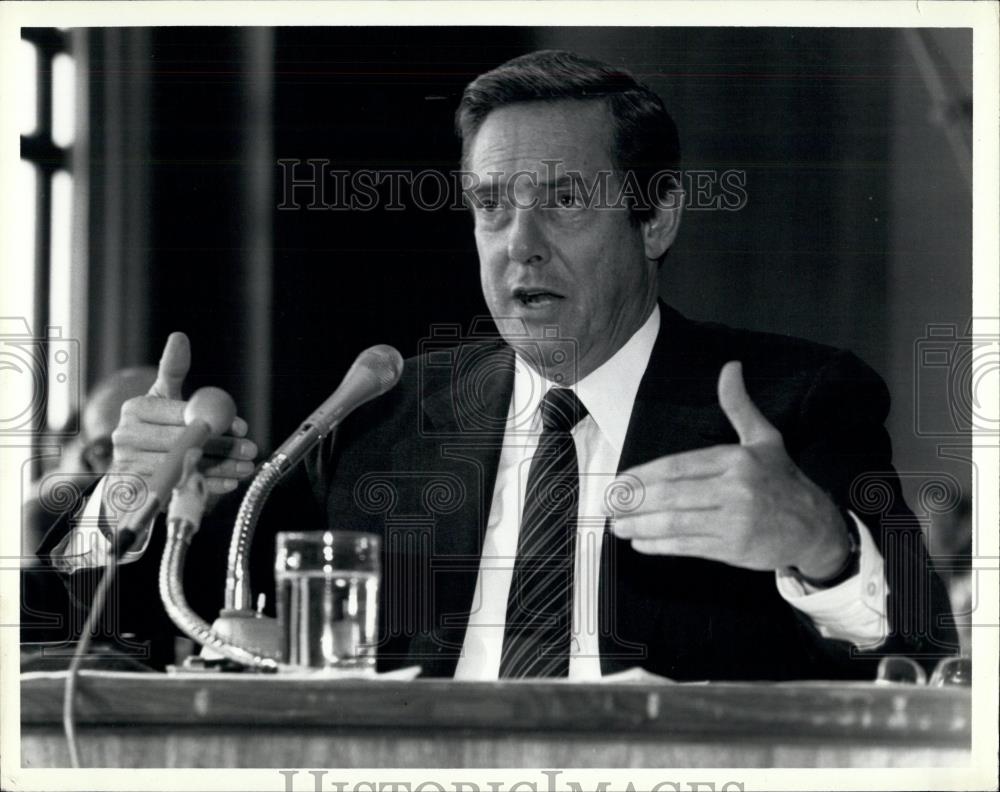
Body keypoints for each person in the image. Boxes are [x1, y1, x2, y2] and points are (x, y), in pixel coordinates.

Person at [39, 50, 956, 679]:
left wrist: (823, 550)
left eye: (563, 201)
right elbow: (161, 627)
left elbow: (929, 651)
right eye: (490, 206)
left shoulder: (798, 400)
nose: (519, 247)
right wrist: (131, 495)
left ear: (659, 218)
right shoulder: (384, 415)